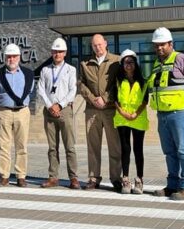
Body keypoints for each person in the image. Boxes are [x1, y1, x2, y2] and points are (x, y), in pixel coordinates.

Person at [148, 27, 184, 201]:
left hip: (179, 113)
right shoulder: (157, 64)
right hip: (162, 114)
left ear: (170, 44)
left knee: (183, 149)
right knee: (169, 151)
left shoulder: (181, 59)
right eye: (156, 45)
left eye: (162, 45)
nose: (159, 48)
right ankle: (172, 185)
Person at [77, 34, 122, 191]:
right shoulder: (85, 63)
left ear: (106, 43)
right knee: (93, 146)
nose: (97, 47)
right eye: (94, 45)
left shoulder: (116, 61)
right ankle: (93, 177)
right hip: (92, 110)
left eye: (100, 44)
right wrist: (92, 98)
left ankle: (116, 178)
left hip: (110, 109)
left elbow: (118, 84)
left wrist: (105, 98)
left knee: (115, 146)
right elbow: (81, 84)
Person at [37, 38, 80, 189]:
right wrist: (50, 105)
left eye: (60, 51)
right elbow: (40, 89)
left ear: (65, 53)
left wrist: (59, 105)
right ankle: (53, 177)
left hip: (65, 110)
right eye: (55, 51)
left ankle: (73, 178)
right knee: (52, 147)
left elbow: (72, 90)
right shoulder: (45, 70)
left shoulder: (71, 69)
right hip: (49, 111)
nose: (57, 54)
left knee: (70, 146)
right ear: (51, 52)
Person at [0, 43, 35, 187]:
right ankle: (4, 176)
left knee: (21, 145)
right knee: (3, 145)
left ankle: (21, 176)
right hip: (4, 112)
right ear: (5, 57)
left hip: (22, 112)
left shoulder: (28, 73)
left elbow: (31, 92)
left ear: (19, 57)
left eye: (14, 56)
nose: (11, 59)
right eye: (9, 56)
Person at [114, 49, 148, 195]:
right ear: (122, 64)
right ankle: (126, 179)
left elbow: (145, 100)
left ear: (135, 64)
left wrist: (135, 114)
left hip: (138, 118)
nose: (128, 65)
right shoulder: (118, 81)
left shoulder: (143, 81)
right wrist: (122, 112)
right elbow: (114, 99)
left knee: (138, 150)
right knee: (125, 149)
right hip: (122, 119)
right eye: (125, 62)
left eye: (131, 62)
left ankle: (139, 180)